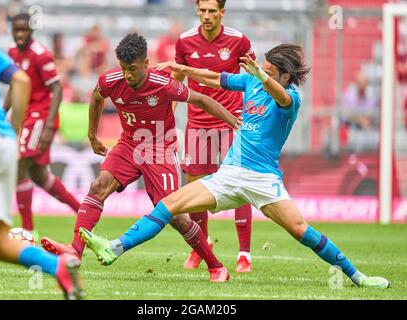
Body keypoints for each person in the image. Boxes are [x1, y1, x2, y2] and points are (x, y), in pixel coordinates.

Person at [80, 43, 390, 289]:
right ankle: (115, 247)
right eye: (261, 68)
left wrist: (261, 74)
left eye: (267, 69)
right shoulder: (252, 83)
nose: (259, 72)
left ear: (282, 74)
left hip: (263, 180)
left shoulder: (291, 98)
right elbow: (215, 79)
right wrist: (182, 67)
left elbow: (280, 95)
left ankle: (357, 276)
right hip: (229, 175)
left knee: (301, 231)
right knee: (169, 205)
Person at [41, 33, 241, 282]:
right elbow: (97, 98)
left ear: (145, 64)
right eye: (124, 68)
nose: (128, 75)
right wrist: (92, 135)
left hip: (160, 148)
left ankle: (216, 267)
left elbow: (200, 98)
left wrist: (231, 120)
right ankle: (75, 251)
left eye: (133, 69)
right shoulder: (111, 80)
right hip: (129, 144)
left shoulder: (164, 84)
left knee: (176, 216)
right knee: (98, 186)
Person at [0, 28, 83, 300]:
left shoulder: (36, 54)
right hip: (2, 139)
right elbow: (20, 79)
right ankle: (58, 267)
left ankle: (38, 224)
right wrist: (13, 132)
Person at [171, 0, 255, 272]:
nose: (206, 16)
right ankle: (201, 247)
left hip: (231, 123)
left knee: (240, 183)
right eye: (202, 10)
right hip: (197, 125)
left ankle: (244, 255)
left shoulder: (238, 41)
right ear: (197, 10)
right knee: (196, 186)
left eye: (211, 11)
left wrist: (253, 111)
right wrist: (167, 117)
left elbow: (255, 76)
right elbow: (177, 81)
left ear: (222, 12)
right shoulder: (184, 42)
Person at [5, 13, 81, 241]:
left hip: (40, 117)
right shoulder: (11, 53)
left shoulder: (41, 55)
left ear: (31, 30)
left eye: (24, 31)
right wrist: (2, 112)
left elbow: (56, 88)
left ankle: (29, 230)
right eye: (16, 30)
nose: (20, 35)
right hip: (27, 116)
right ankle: (82, 211)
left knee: (19, 166)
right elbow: (14, 87)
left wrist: (49, 125)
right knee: (38, 175)